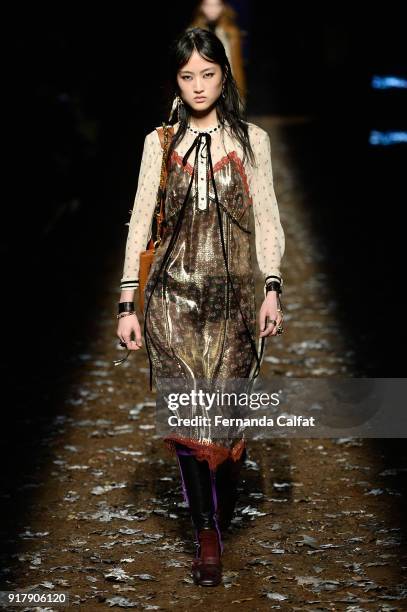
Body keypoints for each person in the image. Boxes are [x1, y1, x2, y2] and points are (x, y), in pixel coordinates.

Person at [116, 27, 285, 587]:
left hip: (234, 302)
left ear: (224, 75)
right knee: (190, 423)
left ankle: (224, 486)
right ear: (176, 81)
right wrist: (127, 303)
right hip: (171, 300)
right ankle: (206, 535)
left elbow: (267, 221)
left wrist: (271, 288)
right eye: (187, 76)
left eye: (207, 74)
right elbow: (141, 221)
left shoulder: (251, 141)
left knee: (227, 426)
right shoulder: (158, 144)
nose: (197, 86)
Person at [190, 0, 247, 105]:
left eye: (217, 5)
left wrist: (239, 92)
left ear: (223, 7)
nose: (212, 10)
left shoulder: (232, 33)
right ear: (201, 7)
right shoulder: (192, 33)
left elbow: (237, 65)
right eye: (207, 5)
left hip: (228, 87)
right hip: (200, 87)